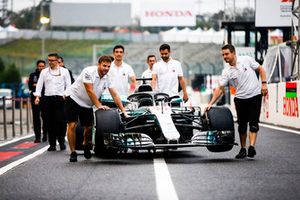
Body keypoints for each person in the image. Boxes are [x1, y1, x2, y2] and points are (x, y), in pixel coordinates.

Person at [205, 44, 268, 159]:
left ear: (233, 53)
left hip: (255, 96)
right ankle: (243, 149)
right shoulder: (227, 71)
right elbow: (220, 88)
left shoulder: (246, 60)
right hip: (240, 99)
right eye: (223, 55)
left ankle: (252, 147)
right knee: (242, 126)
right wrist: (210, 103)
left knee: (253, 124)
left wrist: (264, 84)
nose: (225, 56)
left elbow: (261, 69)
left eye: (227, 54)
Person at [65, 55, 127, 162]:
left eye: (108, 66)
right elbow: (90, 90)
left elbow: (115, 95)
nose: (106, 69)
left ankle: (85, 143)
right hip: (73, 98)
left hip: (87, 104)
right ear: (99, 64)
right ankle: (73, 152)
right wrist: (98, 105)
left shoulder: (107, 78)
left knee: (88, 128)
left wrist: (123, 111)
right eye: (104, 66)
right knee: (72, 125)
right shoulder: (88, 71)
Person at [34, 53, 71, 151]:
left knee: (61, 122)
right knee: (49, 123)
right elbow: (39, 85)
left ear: (57, 60)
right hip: (48, 99)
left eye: (52, 60)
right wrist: (37, 96)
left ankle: (62, 141)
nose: (50, 62)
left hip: (60, 99)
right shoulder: (44, 72)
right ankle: (52, 144)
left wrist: (65, 95)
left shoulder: (64, 71)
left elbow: (69, 85)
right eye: (49, 60)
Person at [28, 59, 47, 143]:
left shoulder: (47, 74)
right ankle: (37, 137)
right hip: (35, 99)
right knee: (36, 118)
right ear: (37, 66)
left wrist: (37, 85)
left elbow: (47, 86)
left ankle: (45, 135)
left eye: (43, 66)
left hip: (45, 99)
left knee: (45, 117)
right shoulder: (33, 75)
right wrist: (38, 86)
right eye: (40, 66)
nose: (41, 68)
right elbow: (31, 87)